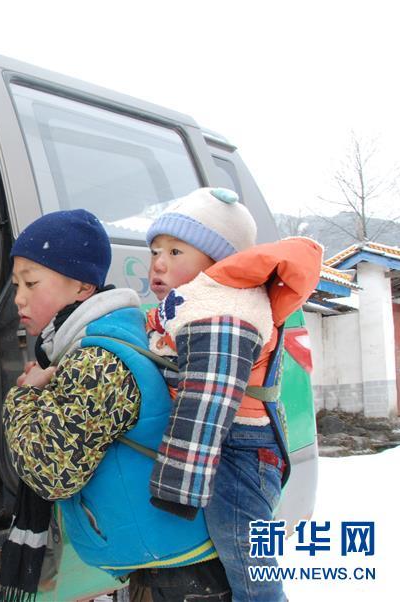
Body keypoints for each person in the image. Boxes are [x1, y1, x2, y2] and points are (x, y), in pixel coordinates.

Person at [0, 209, 231, 602]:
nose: (18, 298)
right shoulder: (105, 338)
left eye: (31, 283)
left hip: (179, 578)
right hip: (170, 563)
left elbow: (49, 470)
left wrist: (22, 396)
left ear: (82, 288)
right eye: (15, 284)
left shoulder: (97, 361)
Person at [143, 187, 322, 601]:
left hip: (239, 450)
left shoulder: (222, 311)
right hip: (231, 442)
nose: (158, 262)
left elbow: (208, 399)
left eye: (175, 252)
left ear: (216, 261)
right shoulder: (193, 302)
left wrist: (178, 486)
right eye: (155, 251)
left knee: (246, 557)